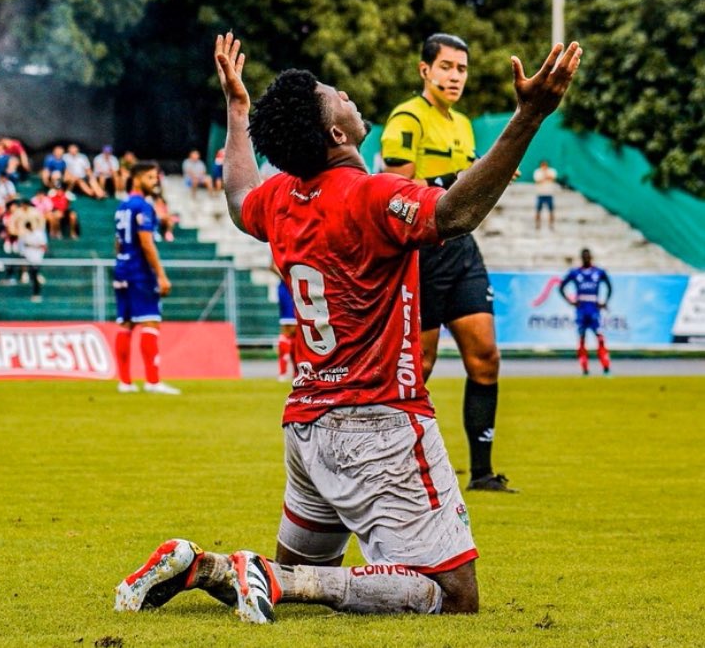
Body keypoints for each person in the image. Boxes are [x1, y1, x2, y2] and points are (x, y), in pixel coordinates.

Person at [114, 32, 581, 621]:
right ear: (336, 134)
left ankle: (204, 567)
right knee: (455, 597)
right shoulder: (370, 195)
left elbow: (237, 196)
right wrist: (529, 116)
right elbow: (456, 212)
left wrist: (237, 109)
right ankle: (268, 577)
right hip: (379, 420)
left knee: (304, 573)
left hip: (307, 426)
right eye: (334, 95)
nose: (346, 94)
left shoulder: (280, 197)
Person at [381, 33, 512, 493]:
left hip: (462, 249)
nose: (455, 76)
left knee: (486, 357)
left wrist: (490, 177)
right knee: (420, 363)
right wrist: (458, 177)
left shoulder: (464, 124)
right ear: (425, 70)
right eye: (447, 67)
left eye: (462, 69)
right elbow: (392, 190)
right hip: (421, 253)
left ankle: (482, 473)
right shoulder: (406, 119)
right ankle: (394, 467)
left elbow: (469, 189)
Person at [113, 160, 180, 395]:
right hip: (140, 271)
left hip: (121, 268)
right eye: (151, 178)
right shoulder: (143, 207)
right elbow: (146, 243)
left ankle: (125, 382)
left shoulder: (122, 206)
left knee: (126, 324)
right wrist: (161, 275)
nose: (155, 182)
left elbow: (118, 243)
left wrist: (121, 262)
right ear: (138, 178)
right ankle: (152, 381)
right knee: (150, 322)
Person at [559, 248, 612, 376]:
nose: (586, 259)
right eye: (584, 257)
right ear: (581, 258)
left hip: (594, 309)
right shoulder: (575, 273)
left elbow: (609, 286)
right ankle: (585, 368)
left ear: (591, 257)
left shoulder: (599, 272)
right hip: (581, 310)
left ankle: (605, 367)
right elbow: (561, 287)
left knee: (600, 338)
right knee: (582, 339)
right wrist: (570, 301)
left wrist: (604, 301)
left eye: (588, 256)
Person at [270, 260, 297, 381]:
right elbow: (272, 265)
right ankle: (283, 371)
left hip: (297, 285)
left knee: (298, 333)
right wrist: (287, 277)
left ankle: (297, 371)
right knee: (289, 328)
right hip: (287, 288)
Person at [17, 220, 47, 302]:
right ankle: (25, 273)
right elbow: (22, 247)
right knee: (32, 273)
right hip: (28, 257)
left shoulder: (39, 234)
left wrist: (33, 245)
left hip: (37, 257)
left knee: (35, 273)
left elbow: (43, 246)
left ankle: (37, 293)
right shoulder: (25, 235)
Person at [533, 159, 558, 230]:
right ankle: (537, 225)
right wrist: (545, 176)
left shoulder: (551, 171)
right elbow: (537, 180)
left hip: (549, 194)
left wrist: (545, 175)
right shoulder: (537, 172)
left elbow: (553, 178)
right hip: (540, 194)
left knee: (551, 211)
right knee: (538, 210)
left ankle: (551, 225)